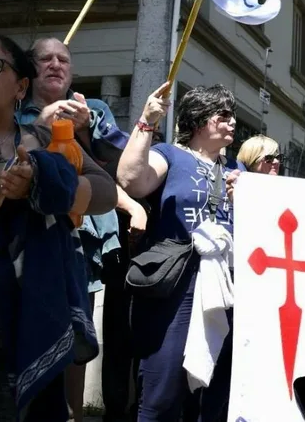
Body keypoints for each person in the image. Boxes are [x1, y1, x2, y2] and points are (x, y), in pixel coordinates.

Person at [0, 33, 117, 420]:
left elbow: (105, 192)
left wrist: (48, 185)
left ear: (20, 86)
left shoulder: (46, 141)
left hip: (31, 334)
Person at [19, 36, 145, 422]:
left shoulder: (93, 110)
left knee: (78, 329)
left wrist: (88, 129)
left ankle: (70, 415)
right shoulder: (15, 114)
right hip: (30, 237)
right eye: (45, 59)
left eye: (63, 60)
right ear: (29, 70)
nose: (56, 65)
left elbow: (122, 165)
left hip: (85, 240)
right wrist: (42, 125)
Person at [117, 83, 238, 422]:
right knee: (162, 392)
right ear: (199, 121)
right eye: (223, 115)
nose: (232, 123)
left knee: (213, 399)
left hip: (224, 288)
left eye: (233, 117)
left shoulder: (236, 173)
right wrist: (146, 121)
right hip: (176, 288)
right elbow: (132, 181)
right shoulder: (170, 155)